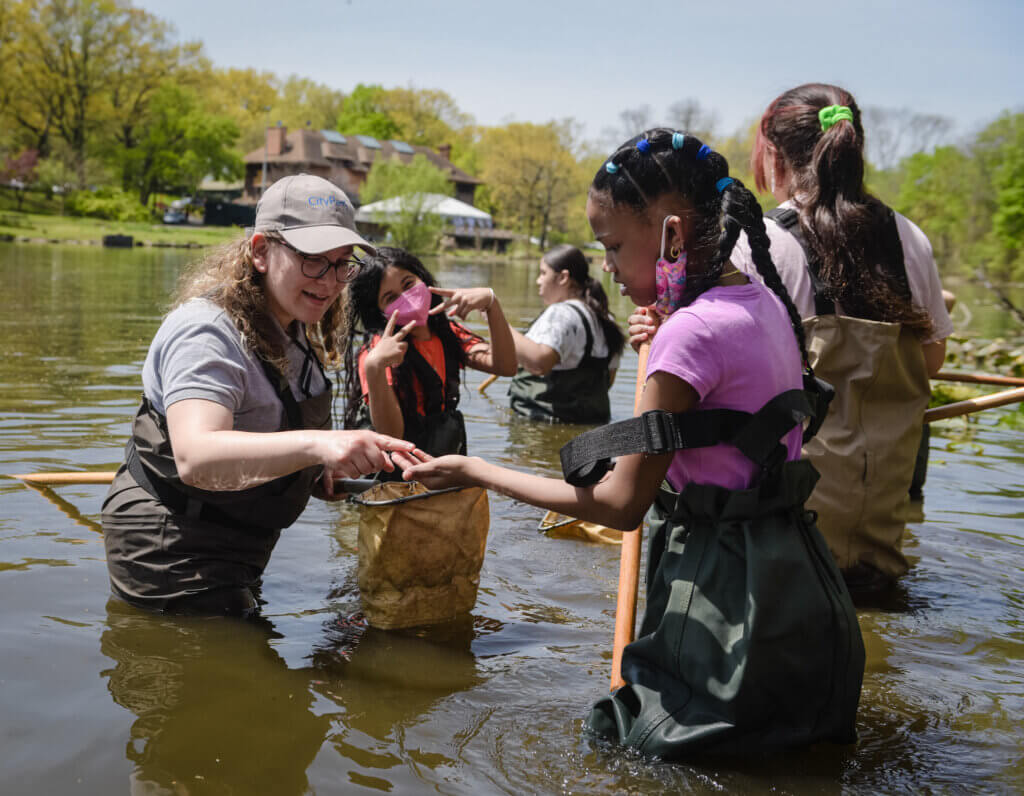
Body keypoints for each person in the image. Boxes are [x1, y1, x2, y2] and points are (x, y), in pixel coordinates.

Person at [391, 130, 864, 758]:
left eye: (612, 245)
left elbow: (619, 505)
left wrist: (477, 470)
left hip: (723, 603)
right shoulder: (764, 302)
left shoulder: (689, 335)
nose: (606, 267)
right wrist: (670, 330)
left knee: (627, 748)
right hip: (801, 588)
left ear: (671, 234)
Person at [101, 174, 419, 617]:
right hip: (172, 545)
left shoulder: (290, 323)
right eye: (313, 260)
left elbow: (268, 435)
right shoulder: (208, 331)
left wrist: (314, 472)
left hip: (238, 541)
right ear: (260, 252)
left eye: (342, 263)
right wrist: (320, 445)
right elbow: (196, 455)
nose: (329, 283)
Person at [746, 83, 953, 590]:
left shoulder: (760, 243)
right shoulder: (910, 237)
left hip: (790, 548)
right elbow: (930, 363)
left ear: (773, 154)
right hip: (879, 540)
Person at [342, 247, 516, 462]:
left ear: (423, 279)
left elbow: (506, 367)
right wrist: (374, 367)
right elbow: (392, 436)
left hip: (442, 461)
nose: (407, 298)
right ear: (378, 312)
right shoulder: (377, 353)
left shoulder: (448, 333)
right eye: (390, 298)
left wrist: (492, 303)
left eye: (408, 284)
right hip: (396, 475)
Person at [508, 244, 625, 424]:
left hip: (542, 425)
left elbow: (540, 363)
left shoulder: (560, 314)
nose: (538, 281)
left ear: (563, 277)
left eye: (543, 273)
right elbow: (608, 380)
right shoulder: (606, 319)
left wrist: (499, 324)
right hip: (594, 424)